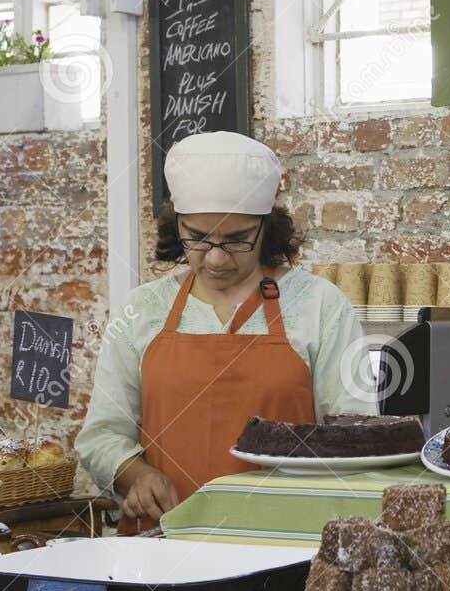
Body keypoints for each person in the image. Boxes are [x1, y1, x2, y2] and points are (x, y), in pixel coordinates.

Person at [76, 131, 373, 526]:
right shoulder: (142, 309)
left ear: (265, 228)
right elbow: (101, 435)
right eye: (198, 238)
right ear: (177, 225)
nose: (215, 260)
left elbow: (356, 435)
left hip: (286, 540)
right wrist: (138, 476)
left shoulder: (320, 305)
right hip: (163, 542)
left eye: (236, 240)